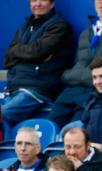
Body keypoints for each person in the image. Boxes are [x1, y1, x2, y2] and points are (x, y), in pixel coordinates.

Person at [48, 0, 102, 127]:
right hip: (72, 89)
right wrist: (69, 76)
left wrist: (82, 77)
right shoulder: (86, 31)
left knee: (75, 131)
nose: (101, 2)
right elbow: (78, 62)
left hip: (95, 91)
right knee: (48, 126)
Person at [1, 0, 72, 131]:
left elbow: (37, 51)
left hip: (37, 89)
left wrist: (20, 51)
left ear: (52, 3)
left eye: (42, 0)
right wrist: (31, 53)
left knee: (2, 115)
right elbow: (8, 58)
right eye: (34, 0)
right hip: (13, 88)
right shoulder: (25, 26)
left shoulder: (59, 26)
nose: (37, 4)